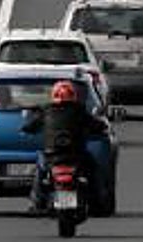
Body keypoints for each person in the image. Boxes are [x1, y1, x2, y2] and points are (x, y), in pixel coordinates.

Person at [22, 80, 108, 211]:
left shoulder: (46, 110)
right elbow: (98, 126)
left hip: (52, 155)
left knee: (40, 171)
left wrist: (27, 128)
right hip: (76, 155)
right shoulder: (79, 110)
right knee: (93, 170)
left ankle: (37, 201)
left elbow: (29, 127)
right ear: (73, 96)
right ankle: (98, 200)